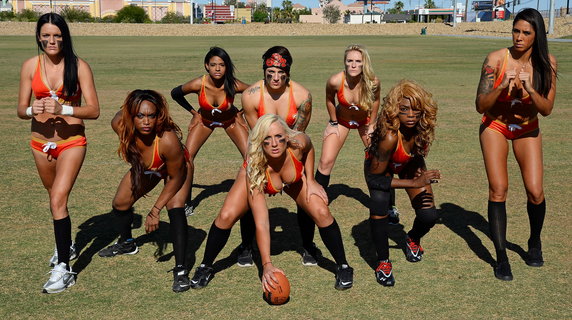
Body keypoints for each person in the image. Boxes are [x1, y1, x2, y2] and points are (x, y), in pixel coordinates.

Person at [190, 115, 354, 291]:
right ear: (259, 142)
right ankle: (205, 266)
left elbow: (310, 147)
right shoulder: (255, 168)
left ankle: (343, 266)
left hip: (292, 181)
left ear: (287, 136)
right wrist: (267, 264)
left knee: (321, 212)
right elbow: (262, 221)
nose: (274, 144)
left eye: (279, 137)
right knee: (226, 216)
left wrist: (311, 180)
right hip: (262, 179)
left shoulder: (298, 143)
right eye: (267, 139)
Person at [17, 13, 100, 294]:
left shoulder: (79, 67)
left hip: (71, 142)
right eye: (46, 35)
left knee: (57, 198)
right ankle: (66, 244)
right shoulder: (30, 66)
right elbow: (20, 109)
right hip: (39, 144)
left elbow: (94, 110)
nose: (52, 41)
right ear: (39, 37)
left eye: (57, 35)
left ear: (65, 37)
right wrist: (32, 110)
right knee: (54, 199)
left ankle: (63, 268)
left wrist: (63, 109)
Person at [475, 8, 557, 281]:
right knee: (499, 189)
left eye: (526, 33)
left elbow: (546, 109)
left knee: (535, 191)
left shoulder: (547, 64)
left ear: (537, 35)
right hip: (495, 126)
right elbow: (480, 106)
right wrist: (500, 87)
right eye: (516, 31)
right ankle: (501, 258)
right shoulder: (496, 59)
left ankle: (535, 242)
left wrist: (530, 88)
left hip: (527, 128)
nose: (519, 37)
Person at [97, 90, 192, 293]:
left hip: (177, 170)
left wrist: (155, 210)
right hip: (148, 168)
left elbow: (175, 178)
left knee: (174, 208)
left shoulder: (168, 140)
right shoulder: (121, 127)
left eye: (152, 115)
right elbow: (118, 116)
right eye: (140, 115)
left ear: (159, 116)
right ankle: (127, 243)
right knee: (120, 204)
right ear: (131, 116)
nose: (146, 121)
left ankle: (181, 270)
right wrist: (128, 106)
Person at [170, 47, 254, 267]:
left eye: (222, 65)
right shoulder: (199, 83)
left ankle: (252, 198)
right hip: (204, 121)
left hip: (230, 121)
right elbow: (175, 93)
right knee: (186, 158)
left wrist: (241, 113)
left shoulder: (233, 84)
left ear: (227, 67)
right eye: (214, 64)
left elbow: (255, 91)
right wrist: (194, 113)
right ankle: (186, 202)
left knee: (251, 158)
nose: (218, 68)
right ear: (207, 65)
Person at [241, 46, 319, 266]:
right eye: (270, 73)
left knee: (307, 202)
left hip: (290, 153)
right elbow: (258, 138)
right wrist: (269, 176)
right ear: (263, 71)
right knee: (249, 199)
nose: (275, 77)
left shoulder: (303, 97)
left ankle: (308, 246)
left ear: (288, 73)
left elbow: (298, 136)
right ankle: (246, 246)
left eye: (280, 73)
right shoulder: (250, 96)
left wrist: (285, 174)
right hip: (261, 153)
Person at [364, 80, 439, 287]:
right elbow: (375, 179)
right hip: (379, 170)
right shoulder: (389, 136)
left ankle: (412, 238)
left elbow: (415, 156)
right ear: (395, 109)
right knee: (379, 204)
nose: (411, 114)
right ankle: (383, 262)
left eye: (416, 109)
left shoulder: (421, 128)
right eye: (405, 109)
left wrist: (418, 178)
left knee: (429, 215)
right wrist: (414, 182)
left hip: (408, 163)